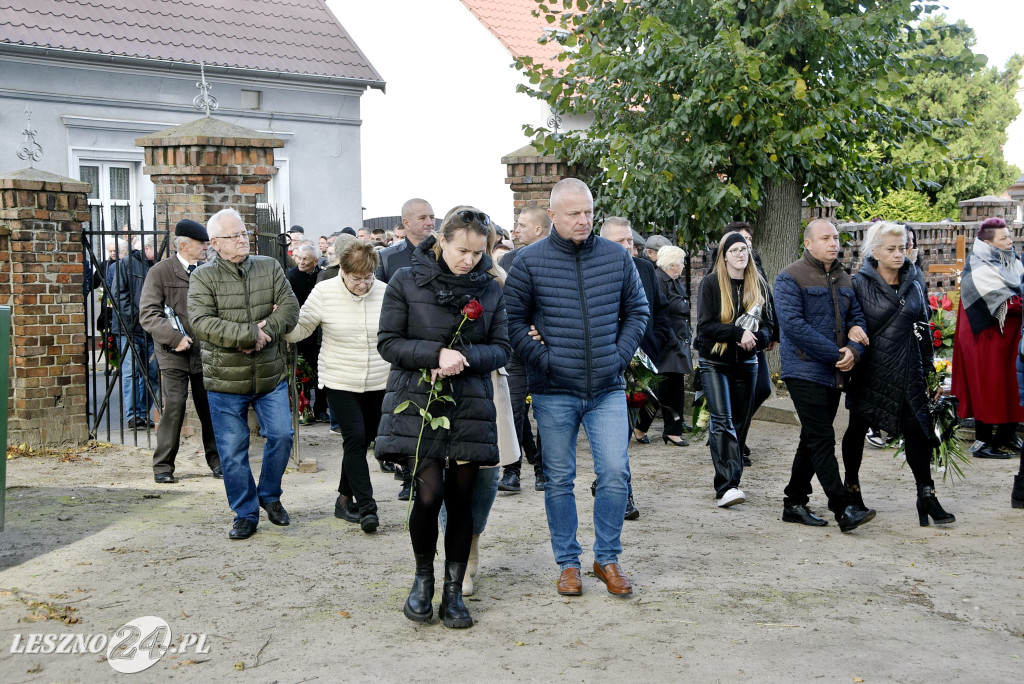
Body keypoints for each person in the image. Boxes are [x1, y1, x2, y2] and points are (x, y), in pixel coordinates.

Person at [504, 178, 649, 598]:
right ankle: (568, 563)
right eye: (573, 213)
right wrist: (548, 361)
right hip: (553, 390)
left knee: (615, 474)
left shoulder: (615, 257)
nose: (583, 220)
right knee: (559, 479)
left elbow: (637, 311)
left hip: (606, 387)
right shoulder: (528, 262)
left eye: (588, 212)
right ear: (552, 215)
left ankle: (607, 557)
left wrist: (617, 357)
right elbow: (512, 323)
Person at [376, 206, 510, 629]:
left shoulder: (489, 289)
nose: (469, 259)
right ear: (442, 241)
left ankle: (454, 591)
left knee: (461, 499)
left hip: (469, 404)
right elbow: (389, 342)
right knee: (429, 495)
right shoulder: (405, 279)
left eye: (477, 252)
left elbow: (503, 348)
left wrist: (461, 357)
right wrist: (433, 354)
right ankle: (422, 581)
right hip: (419, 402)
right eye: (462, 250)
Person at [188, 208, 300, 541]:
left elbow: (291, 307)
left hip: (270, 375)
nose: (242, 240)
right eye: (233, 236)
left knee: (281, 435)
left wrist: (267, 331)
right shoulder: (203, 277)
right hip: (225, 380)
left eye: (244, 233)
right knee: (233, 451)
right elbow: (202, 323)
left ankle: (269, 495)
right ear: (214, 243)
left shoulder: (270, 266)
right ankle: (245, 513)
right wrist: (250, 334)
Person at [841, 222, 955, 525]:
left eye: (902, 247)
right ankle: (851, 488)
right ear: (874, 251)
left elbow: (924, 330)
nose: (898, 254)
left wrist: (931, 374)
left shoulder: (914, 282)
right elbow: (848, 324)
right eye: (891, 249)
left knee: (918, 429)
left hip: (908, 369)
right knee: (856, 428)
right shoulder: (857, 283)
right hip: (872, 370)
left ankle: (926, 495)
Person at [774, 218, 875, 532]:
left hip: (835, 372)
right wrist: (838, 353)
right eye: (826, 238)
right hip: (803, 369)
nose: (834, 243)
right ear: (808, 243)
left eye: (835, 237)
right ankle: (842, 507)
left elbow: (856, 318)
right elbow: (794, 326)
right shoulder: (789, 277)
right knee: (821, 438)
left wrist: (855, 350)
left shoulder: (844, 277)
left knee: (811, 437)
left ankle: (794, 501)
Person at [285, 241, 389, 533]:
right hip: (340, 379)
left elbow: (398, 329)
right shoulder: (325, 291)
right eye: (357, 278)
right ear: (342, 271)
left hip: (379, 380)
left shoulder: (384, 292)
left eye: (368, 277)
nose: (363, 284)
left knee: (364, 440)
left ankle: (343, 500)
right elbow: (302, 326)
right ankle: (368, 507)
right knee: (354, 439)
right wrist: (280, 324)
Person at [599, 216, 680, 519]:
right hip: (606, 361)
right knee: (617, 429)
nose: (627, 246)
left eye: (630, 241)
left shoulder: (646, 268)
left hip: (641, 360)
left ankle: (610, 479)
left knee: (633, 419)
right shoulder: (595, 267)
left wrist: (653, 345)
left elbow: (659, 311)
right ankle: (623, 493)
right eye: (620, 241)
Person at [138, 219, 222, 483]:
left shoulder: (209, 271)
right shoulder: (160, 272)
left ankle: (218, 462)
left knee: (210, 409)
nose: (207, 248)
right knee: (174, 407)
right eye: (202, 243)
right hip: (172, 353)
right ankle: (163, 467)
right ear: (183, 245)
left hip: (205, 352)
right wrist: (175, 338)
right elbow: (148, 314)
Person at [695, 232, 773, 507]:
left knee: (740, 423)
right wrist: (737, 333)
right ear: (724, 256)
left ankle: (731, 480)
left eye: (744, 250)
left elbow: (770, 327)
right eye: (735, 250)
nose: (741, 254)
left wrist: (758, 338)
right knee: (723, 420)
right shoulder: (712, 283)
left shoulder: (758, 283)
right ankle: (727, 485)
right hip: (715, 362)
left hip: (748, 363)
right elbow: (705, 328)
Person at [376, 198, 437, 501]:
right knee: (406, 415)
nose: (429, 222)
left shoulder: (443, 252)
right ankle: (407, 476)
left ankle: (427, 473)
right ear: (406, 223)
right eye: (423, 217)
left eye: (432, 217)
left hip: (437, 345)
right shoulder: (388, 259)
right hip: (403, 348)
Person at [951, 217, 1024, 459]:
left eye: (1009, 235)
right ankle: (984, 441)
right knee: (989, 387)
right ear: (988, 242)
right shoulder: (979, 264)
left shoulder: (1012, 260)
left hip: (1010, 336)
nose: (1010, 240)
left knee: (1013, 384)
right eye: (1004, 238)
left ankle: (1007, 436)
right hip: (984, 337)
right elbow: (1006, 302)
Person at [496, 206, 552, 494]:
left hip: (546, 349)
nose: (515, 230)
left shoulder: (556, 257)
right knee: (513, 409)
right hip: (515, 348)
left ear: (539, 229)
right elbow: (506, 304)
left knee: (544, 411)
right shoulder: (508, 259)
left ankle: (543, 470)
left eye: (521, 225)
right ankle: (512, 470)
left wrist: (543, 329)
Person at [724, 221, 779, 465]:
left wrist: (773, 331)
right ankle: (731, 441)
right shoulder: (721, 270)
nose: (744, 244)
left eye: (748, 239)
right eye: (739, 239)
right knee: (737, 395)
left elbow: (767, 297)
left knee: (762, 389)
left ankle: (734, 434)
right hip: (729, 343)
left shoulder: (755, 263)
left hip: (755, 339)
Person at [111, 234, 160, 428]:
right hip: (128, 328)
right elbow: (118, 294)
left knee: (152, 371)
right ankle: (133, 415)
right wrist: (139, 317)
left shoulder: (156, 268)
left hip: (150, 330)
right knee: (131, 372)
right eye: (156, 250)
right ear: (146, 248)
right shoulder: (127, 264)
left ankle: (142, 412)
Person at [648, 245, 693, 445]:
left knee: (673, 386)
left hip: (676, 341)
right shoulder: (659, 280)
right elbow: (660, 313)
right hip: (666, 342)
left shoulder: (674, 281)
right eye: (682, 262)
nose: (684, 266)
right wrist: (673, 340)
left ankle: (673, 429)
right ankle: (645, 428)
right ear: (672, 264)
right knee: (661, 388)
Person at [286, 243, 327, 424]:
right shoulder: (291, 276)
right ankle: (302, 408)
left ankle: (320, 408)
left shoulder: (321, 276)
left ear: (315, 261)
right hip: (299, 329)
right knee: (299, 372)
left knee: (319, 371)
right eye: (299, 258)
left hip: (318, 332)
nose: (301, 262)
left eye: (305, 259)